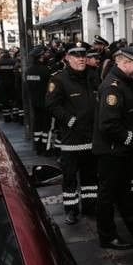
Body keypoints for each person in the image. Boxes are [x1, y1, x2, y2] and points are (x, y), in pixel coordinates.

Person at [92, 45, 133, 249]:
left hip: (120, 150)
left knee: (124, 191)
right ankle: (107, 236)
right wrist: (128, 139)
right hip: (111, 150)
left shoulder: (125, 82)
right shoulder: (113, 87)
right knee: (108, 195)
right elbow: (108, 124)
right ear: (125, 62)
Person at [45, 42, 99, 224]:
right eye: (76, 55)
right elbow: (52, 105)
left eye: (83, 55)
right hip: (71, 138)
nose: (81, 59)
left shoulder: (92, 76)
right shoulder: (58, 79)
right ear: (67, 57)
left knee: (90, 176)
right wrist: (70, 120)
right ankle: (71, 210)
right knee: (69, 177)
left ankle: (90, 206)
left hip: (91, 136)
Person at [26, 45, 51, 154]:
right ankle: (45, 147)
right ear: (40, 57)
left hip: (34, 102)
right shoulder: (45, 70)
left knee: (37, 123)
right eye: (44, 54)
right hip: (45, 102)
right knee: (46, 125)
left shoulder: (28, 71)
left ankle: (37, 146)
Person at [0, 49, 16, 122]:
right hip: (13, 84)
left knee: (4, 101)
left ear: (2, 54)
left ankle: (7, 118)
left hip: (2, 85)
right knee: (13, 100)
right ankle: (16, 117)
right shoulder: (13, 61)